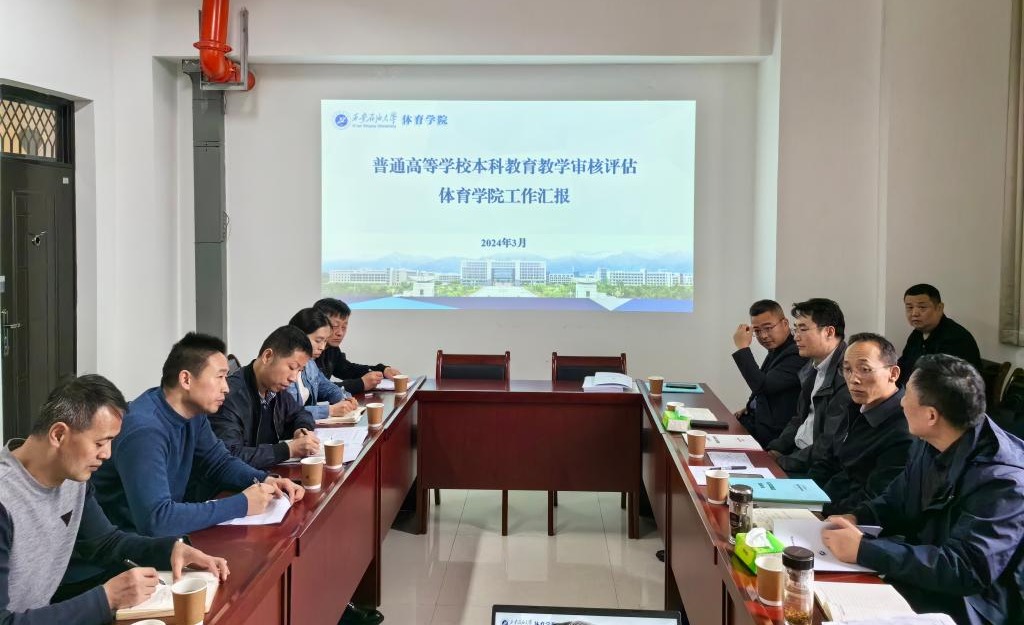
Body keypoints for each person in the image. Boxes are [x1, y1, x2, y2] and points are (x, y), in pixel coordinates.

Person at [0, 374, 229, 624]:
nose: (107, 454)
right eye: (100, 442)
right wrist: (106, 599)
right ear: (58, 435)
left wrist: (171, 550)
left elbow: (105, 543)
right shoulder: (5, 499)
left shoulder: (72, 478)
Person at [822, 355, 1024, 625]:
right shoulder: (933, 438)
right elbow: (897, 498)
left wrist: (865, 550)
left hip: (969, 606)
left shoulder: (1004, 481)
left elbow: (964, 568)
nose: (901, 402)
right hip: (921, 575)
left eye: (908, 395)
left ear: (931, 415)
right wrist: (857, 517)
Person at [87, 333, 303, 539]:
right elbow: (156, 520)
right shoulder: (144, 431)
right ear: (186, 379)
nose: (226, 388)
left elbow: (219, 462)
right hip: (126, 547)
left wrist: (265, 479)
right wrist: (242, 504)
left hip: (161, 538)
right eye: (220, 377)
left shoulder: (193, 413)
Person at [817, 333, 912, 516]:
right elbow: (828, 461)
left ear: (893, 374)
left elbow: (874, 497)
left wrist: (822, 512)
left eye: (865, 369)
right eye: (847, 369)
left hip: (849, 518)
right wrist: (801, 496)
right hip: (822, 501)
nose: (854, 379)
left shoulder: (904, 427)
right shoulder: (855, 405)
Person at [209, 326, 321, 470]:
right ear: (267, 356)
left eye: (300, 370)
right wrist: (288, 450)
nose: (293, 378)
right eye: (292, 367)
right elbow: (229, 457)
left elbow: (300, 412)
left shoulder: (275, 388)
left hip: (266, 474)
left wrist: (302, 429)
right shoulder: (228, 396)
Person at [766, 298, 851, 480]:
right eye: (796, 329)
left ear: (829, 332)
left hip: (815, 468)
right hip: (797, 455)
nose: (796, 337)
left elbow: (828, 445)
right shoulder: (812, 367)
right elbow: (799, 418)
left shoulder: (846, 375)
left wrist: (783, 462)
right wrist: (775, 449)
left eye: (803, 329)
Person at [732, 299, 807, 446]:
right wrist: (750, 407)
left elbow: (763, 386)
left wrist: (743, 348)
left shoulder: (797, 352)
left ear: (785, 323)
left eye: (768, 328)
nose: (763, 336)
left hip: (773, 434)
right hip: (756, 420)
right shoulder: (778, 349)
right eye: (757, 331)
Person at [897, 283, 981, 387]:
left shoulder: (955, 338)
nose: (914, 313)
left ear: (939, 308)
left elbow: (945, 383)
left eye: (922, 307)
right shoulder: (917, 334)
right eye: (909, 307)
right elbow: (904, 365)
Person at [313, 298, 400, 394]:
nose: (340, 333)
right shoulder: (306, 351)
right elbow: (316, 389)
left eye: (344, 327)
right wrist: (360, 384)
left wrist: (382, 370)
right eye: (335, 326)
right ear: (318, 323)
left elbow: (347, 370)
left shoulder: (331, 348)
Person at [287, 308, 360, 420]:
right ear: (299, 336)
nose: (322, 347)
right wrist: (330, 410)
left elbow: (329, 388)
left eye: (325, 341)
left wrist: (345, 399)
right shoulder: (284, 368)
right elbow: (287, 412)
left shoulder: (310, 364)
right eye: (318, 341)